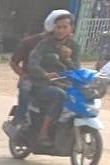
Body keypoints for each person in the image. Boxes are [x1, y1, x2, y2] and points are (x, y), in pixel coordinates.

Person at [28, 10, 80, 147]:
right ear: (54, 28)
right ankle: (43, 133)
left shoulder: (74, 46)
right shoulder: (44, 44)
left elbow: (76, 70)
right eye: (58, 27)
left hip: (64, 83)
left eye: (65, 27)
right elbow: (32, 64)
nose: (61, 30)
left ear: (71, 28)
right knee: (59, 95)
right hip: (42, 85)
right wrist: (45, 74)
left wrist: (67, 59)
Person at [9, 25, 47, 126]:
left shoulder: (68, 43)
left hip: (55, 78)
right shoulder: (29, 43)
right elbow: (13, 63)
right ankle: (21, 118)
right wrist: (24, 75)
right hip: (32, 77)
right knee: (26, 86)